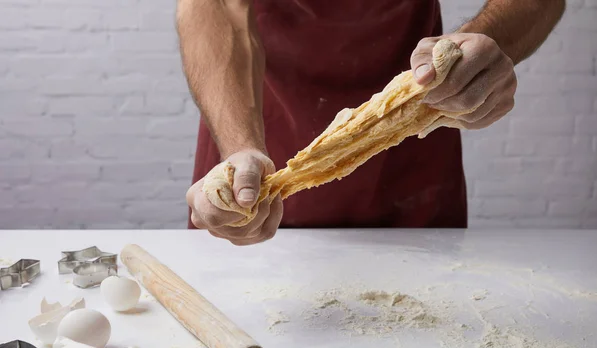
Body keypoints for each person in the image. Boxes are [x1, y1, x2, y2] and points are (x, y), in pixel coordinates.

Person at [178, 0, 565, 245]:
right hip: (254, 117)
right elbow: (218, 7)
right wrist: (240, 145)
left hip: (418, 122)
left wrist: (468, 54)